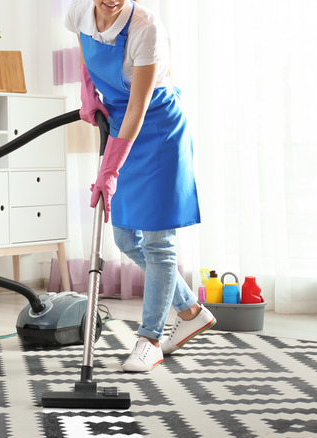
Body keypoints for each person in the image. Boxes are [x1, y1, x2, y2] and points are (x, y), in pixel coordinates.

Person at [66, 0, 216, 372]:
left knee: (157, 242)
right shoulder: (78, 13)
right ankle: (191, 312)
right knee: (125, 238)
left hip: (159, 131)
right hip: (122, 128)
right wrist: (87, 96)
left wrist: (110, 169)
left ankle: (150, 340)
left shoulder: (146, 27)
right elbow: (85, 56)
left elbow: (138, 106)